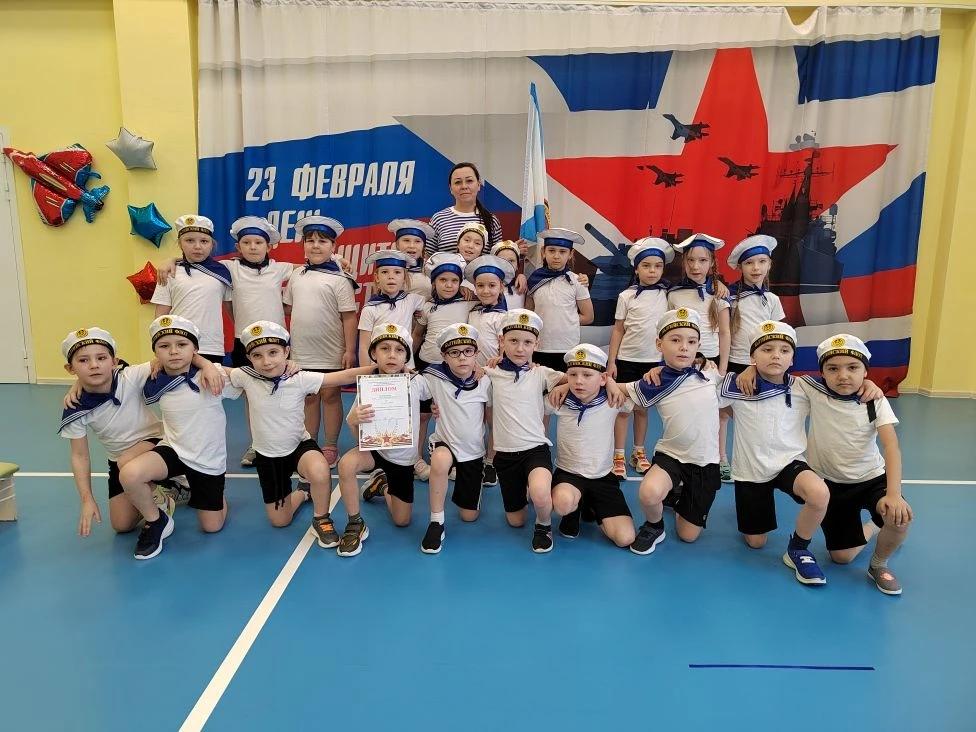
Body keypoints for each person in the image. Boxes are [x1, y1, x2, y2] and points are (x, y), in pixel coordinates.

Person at [58, 327, 221, 537]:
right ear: (70, 368)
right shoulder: (76, 406)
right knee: (121, 524)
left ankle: (161, 509)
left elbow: (174, 359)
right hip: (118, 460)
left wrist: (207, 364)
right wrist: (87, 499)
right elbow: (79, 456)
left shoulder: (130, 377)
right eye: (83, 361)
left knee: (126, 462)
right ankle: (169, 490)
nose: (94, 365)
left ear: (114, 361)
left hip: (154, 442)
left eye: (101, 358)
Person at [226, 321, 374, 541]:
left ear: (286, 352)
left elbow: (342, 377)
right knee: (280, 520)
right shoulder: (245, 376)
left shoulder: (299, 378)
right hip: (268, 456)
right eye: (257, 355)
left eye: (273, 352)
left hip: (299, 446)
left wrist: (381, 368)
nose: (266, 361)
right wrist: (199, 363)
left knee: (320, 469)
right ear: (249, 358)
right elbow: (214, 370)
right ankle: (304, 492)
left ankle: (321, 519)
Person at [117, 316, 242, 560]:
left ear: (194, 349)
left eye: (181, 345)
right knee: (130, 473)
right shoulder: (153, 377)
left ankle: (212, 493)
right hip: (173, 449)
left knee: (211, 527)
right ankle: (157, 521)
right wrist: (77, 385)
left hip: (207, 459)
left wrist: (207, 364)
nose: (173, 351)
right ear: (155, 353)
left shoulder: (212, 374)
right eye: (164, 346)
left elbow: (253, 378)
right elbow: (111, 378)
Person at [718, 321, 830, 585]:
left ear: (792, 359)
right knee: (756, 542)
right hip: (751, 470)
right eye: (767, 349)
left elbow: (841, 389)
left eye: (784, 350)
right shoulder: (737, 385)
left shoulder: (804, 388)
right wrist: (747, 371)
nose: (776, 355)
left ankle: (798, 548)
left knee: (819, 493)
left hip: (789, 463)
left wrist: (870, 387)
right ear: (753, 356)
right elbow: (701, 387)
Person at [803, 334, 913, 595]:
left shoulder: (874, 400)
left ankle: (879, 564)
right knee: (841, 557)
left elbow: (891, 447)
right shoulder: (812, 390)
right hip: (831, 484)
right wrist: (751, 368)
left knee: (898, 518)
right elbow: (777, 376)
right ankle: (874, 526)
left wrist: (894, 494)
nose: (843, 376)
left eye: (852, 367)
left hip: (870, 478)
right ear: (822, 373)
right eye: (833, 368)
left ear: (865, 371)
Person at [624, 308, 723, 554]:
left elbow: (746, 384)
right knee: (649, 493)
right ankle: (654, 525)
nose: (684, 347)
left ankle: (679, 493)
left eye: (691, 342)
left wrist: (752, 368)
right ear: (660, 344)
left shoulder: (710, 375)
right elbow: (617, 388)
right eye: (675, 340)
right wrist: (568, 384)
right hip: (672, 455)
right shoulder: (656, 381)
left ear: (699, 345)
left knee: (687, 535)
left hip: (704, 462)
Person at [336, 323, 423, 557]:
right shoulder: (368, 384)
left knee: (402, 521)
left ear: (407, 356)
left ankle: (382, 485)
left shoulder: (416, 382)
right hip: (375, 451)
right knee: (346, 464)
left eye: (399, 350)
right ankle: (355, 521)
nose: (392, 355)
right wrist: (353, 421)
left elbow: (440, 393)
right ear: (374, 354)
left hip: (402, 458)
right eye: (385, 348)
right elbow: (360, 439)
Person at [483, 309, 567, 552]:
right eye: (513, 341)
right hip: (505, 455)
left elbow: (581, 379)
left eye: (527, 342)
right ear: (501, 341)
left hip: (535, 450)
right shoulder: (490, 374)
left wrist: (565, 386)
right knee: (516, 521)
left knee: (540, 495)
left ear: (536, 345)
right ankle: (529, 489)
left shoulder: (542, 373)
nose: (520, 348)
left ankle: (543, 524)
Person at [283, 215, 359, 470]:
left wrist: (349, 350)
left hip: (331, 351)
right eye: (310, 241)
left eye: (323, 241)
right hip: (302, 351)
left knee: (330, 395)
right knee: (308, 397)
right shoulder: (297, 276)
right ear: (303, 245)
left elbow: (349, 317)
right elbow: (288, 308)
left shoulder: (340, 280)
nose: (316, 245)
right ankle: (310, 443)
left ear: (333, 247)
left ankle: (330, 445)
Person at [546, 345, 637, 548]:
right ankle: (574, 510)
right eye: (573, 375)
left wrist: (612, 383)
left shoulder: (613, 399)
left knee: (625, 538)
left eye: (587, 375)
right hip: (569, 474)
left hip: (602, 476)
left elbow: (644, 392)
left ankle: (591, 505)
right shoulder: (559, 399)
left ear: (602, 378)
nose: (579, 381)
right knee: (563, 503)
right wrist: (563, 386)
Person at [418, 323, 492, 553]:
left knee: (469, 516)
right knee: (440, 461)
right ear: (444, 356)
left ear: (476, 354)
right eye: (454, 352)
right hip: (445, 442)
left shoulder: (486, 380)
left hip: (473, 452)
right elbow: (406, 385)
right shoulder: (433, 377)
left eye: (468, 351)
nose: (462, 358)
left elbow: (491, 418)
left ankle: (468, 479)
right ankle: (436, 521)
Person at [607, 237, 674, 477]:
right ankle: (618, 454)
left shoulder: (668, 295)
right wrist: (612, 361)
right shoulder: (626, 296)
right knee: (623, 409)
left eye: (657, 266)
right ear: (636, 269)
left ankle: (638, 452)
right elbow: (618, 330)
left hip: (653, 363)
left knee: (642, 410)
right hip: (627, 360)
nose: (652, 271)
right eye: (646, 266)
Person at [668, 232, 732, 481]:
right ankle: (678, 460)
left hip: (711, 364)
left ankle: (720, 457)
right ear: (684, 262)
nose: (696, 266)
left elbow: (725, 332)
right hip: (682, 364)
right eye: (691, 260)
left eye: (703, 260)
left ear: (712, 263)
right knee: (683, 413)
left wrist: (722, 368)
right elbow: (668, 332)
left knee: (715, 414)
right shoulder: (674, 294)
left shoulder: (719, 294)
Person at [412, 253, 471, 479]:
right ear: (433, 282)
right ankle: (415, 458)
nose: (449, 285)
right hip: (427, 366)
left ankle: (453, 458)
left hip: (454, 369)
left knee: (452, 415)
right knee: (423, 414)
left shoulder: (469, 303)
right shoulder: (427, 307)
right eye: (443, 280)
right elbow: (418, 335)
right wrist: (409, 362)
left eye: (454, 281)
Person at [464, 254, 517, 487]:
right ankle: (472, 456)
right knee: (473, 416)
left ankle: (491, 460)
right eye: (481, 286)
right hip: (472, 374)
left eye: (492, 286)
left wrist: (493, 365)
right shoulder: (472, 312)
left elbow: (505, 349)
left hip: (494, 376)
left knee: (492, 418)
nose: (486, 291)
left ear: (501, 287)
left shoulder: (505, 317)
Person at [150, 215, 232, 363]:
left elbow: (231, 310)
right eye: (189, 240)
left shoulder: (223, 272)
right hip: (177, 345)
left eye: (204, 241)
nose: (197, 246)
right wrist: (159, 346)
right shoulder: (169, 272)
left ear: (212, 244)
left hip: (211, 346)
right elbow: (161, 315)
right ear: (180, 244)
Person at [524, 228, 594, 372]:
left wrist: (564, 319)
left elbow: (588, 317)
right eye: (551, 251)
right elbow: (529, 313)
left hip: (567, 347)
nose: (556, 256)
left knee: (565, 383)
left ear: (570, 254)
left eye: (562, 252)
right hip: (539, 346)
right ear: (543, 252)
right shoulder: (534, 279)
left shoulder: (577, 281)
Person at [357, 249, 425, 371]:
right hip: (378, 369)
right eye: (384, 272)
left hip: (405, 368)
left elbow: (432, 306)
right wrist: (366, 374)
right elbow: (364, 346)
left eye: (397, 272)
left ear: (404, 277)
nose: (391, 276)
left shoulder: (412, 300)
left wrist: (419, 313)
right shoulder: (370, 308)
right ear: (377, 277)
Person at [426, 162, 502, 257]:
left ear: (478, 185)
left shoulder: (492, 221)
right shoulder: (438, 219)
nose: (464, 186)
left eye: (469, 181)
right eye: (458, 182)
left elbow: (498, 259)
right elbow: (428, 258)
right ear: (450, 188)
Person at [389, 218, 436, 300]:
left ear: (423, 246)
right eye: (406, 240)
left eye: (417, 241)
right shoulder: (387, 268)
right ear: (397, 244)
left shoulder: (431, 268)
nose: (412, 245)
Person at [490, 240, 526, 310]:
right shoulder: (486, 287)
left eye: (511, 261)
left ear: (517, 265)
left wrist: (522, 276)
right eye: (501, 261)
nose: (507, 265)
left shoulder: (522, 286)